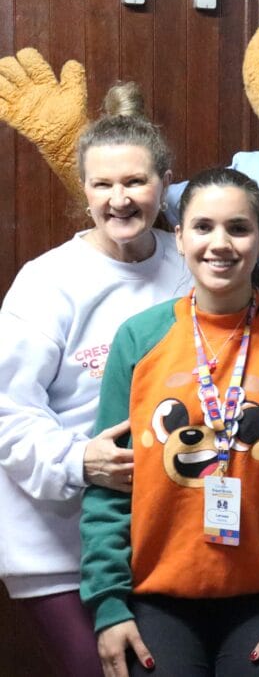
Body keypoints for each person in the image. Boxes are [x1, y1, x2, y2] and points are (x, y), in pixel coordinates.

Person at [79, 167, 259, 677]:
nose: (220, 243)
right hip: (154, 595)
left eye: (238, 228)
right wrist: (108, 603)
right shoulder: (138, 338)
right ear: (179, 238)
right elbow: (110, 483)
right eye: (203, 227)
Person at [0, 83, 188, 677]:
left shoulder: (190, 264)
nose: (119, 199)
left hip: (159, 534)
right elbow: (7, 408)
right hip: (54, 540)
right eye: (102, 184)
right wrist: (81, 460)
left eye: (135, 182)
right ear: (83, 189)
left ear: (165, 182)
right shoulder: (48, 281)